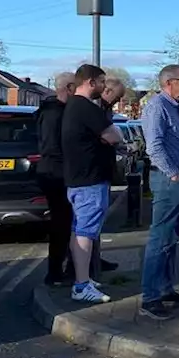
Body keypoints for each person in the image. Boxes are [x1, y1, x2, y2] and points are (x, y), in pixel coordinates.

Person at [61, 64, 126, 304]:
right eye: (101, 82)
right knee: (85, 233)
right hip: (89, 180)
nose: (103, 86)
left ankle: (84, 278)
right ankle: (80, 285)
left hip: (80, 178)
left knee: (80, 230)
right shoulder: (86, 107)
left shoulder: (74, 106)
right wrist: (110, 137)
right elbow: (114, 136)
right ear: (90, 82)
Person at [138, 64, 179, 321]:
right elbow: (154, 146)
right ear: (170, 82)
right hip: (168, 179)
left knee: (171, 237)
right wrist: (172, 173)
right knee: (160, 238)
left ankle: (165, 289)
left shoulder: (174, 108)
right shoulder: (156, 107)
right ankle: (150, 297)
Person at [36, 72, 75, 286]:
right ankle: (54, 273)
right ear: (68, 88)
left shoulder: (55, 110)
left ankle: (66, 267)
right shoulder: (54, 114)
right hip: (55, 173)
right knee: (61, 223)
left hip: (55, 171)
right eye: (75, 88)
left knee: (65, 222)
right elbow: (52, 147)